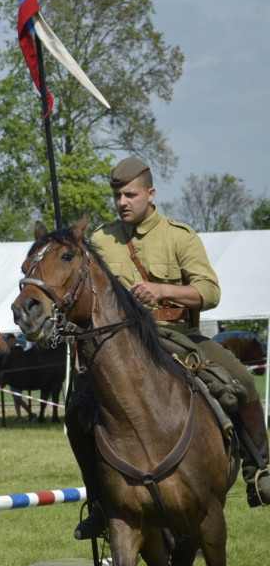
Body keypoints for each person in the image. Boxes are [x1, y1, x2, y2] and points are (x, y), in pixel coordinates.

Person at [70, 156, 270, 539]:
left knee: (242, 380)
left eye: (130, 194)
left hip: (175, 335)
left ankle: (259, 470)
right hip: (118, 344)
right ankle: (99, 501)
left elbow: (210, 292)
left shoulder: (180, 236)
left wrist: (163, 290)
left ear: (151, 194)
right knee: (76, 409)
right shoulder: (100, 239)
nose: (122, 201)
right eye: (116, 194)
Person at [4, 334, 34, 422]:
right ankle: (19, 415)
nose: (13, 343)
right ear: (8, 342)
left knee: (18, 398)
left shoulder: (19, 350)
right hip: (11, 378)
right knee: (16, 399)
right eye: (11, 341)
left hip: (20, 378)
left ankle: (30, 413)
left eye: (14, 341)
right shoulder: (7, 352)